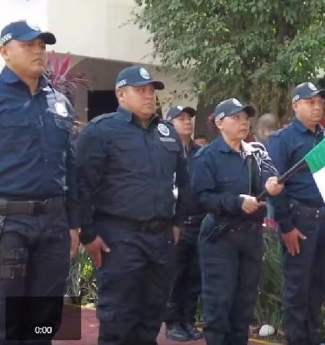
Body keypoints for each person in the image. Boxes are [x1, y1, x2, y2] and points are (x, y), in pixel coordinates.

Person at [0, 20, 80, 344]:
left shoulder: (60, 102)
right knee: (1, 324)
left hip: (54, 226)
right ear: (4, 51)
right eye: (28, 44)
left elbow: (69, 167)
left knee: (43, 323)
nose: (39, 50)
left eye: (42, 45)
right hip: (3, 224)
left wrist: (73, 225)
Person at [75, 65, 189, 344]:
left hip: (160, 240)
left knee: (151, 316)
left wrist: (177, 223)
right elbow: (81, 186)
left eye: (152, 91)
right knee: (118, 320)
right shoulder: (101, 131)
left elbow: (185, 182)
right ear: (121, 95)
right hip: (120, 238)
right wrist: (87, 234)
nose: (149, 96)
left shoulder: (167, 132)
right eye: (141, 90)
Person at [191, 98, 283, 345]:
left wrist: (271, 184)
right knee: (219, 302)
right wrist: (236, 201)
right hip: (221, 238)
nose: (243, 123)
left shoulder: (257, 152)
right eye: (236, 118)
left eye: (245, 118)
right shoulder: (207, 156)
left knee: (244, 302)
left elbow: (270, 175)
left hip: (251, 237)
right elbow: (201, 198)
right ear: (220, 123)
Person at [265, 82, 325, 345]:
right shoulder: (282, 141)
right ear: (295, 106)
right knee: (298, 288)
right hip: (298, 221)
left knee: (318, 286)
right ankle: (296, 340)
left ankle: (311, 337)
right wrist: (286, 227)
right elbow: (275, 188)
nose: (317, 107)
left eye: (319, 102)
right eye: (310, 102)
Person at [163, 105, 204, 341]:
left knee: (194, 276)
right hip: (176, 224)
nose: (187, 122)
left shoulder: (201, 153)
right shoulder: (164, 150)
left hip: (199, 222)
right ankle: (171, 321)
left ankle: (188, 319)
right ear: (169, 124)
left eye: (189, 118)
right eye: (180, 119)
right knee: (175, 276)